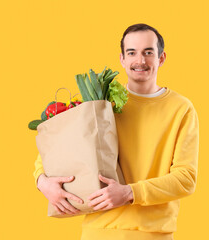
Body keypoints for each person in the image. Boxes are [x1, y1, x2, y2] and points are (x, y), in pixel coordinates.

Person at [33, 23, 199, 240]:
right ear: (122, 59)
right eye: (132, 53)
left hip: (152, 234)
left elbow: (185, 179)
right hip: (98, 232)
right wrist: (42, 182)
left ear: (161, 58)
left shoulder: (181, 109)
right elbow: (52, 155)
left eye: (148, 52)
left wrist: (130, 193)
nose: (140, 60)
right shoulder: (99, 104)